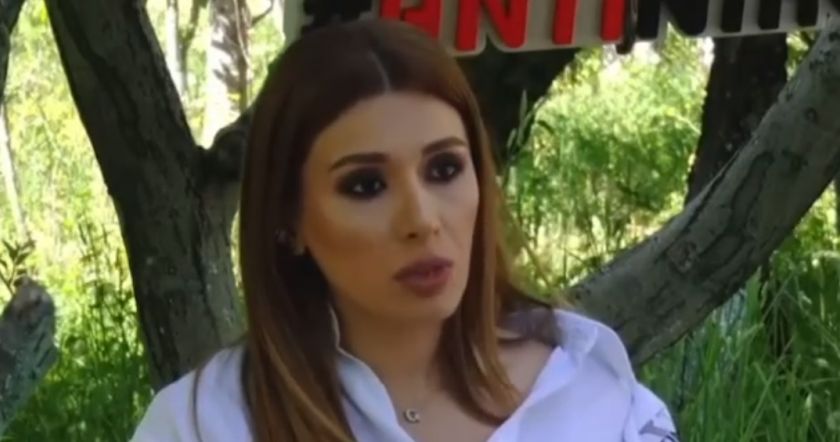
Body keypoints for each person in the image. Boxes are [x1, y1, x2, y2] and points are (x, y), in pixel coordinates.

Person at [130, 18, 679, 442]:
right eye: (366, 185)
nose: (421, 219)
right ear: (288, 221)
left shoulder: (594, 397)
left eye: (444, 169)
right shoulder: (207, 424)